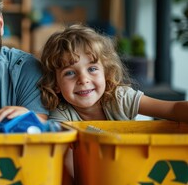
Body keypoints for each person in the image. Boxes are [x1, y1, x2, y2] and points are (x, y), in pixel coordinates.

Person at [39, 24, 188, 122]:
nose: (83, 80)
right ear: (55, 83)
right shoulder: (61, 114)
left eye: (92, 69)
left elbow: (172, 109)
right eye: (70, 73)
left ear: (106, 73)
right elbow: (68, 162)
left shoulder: (120, 98)